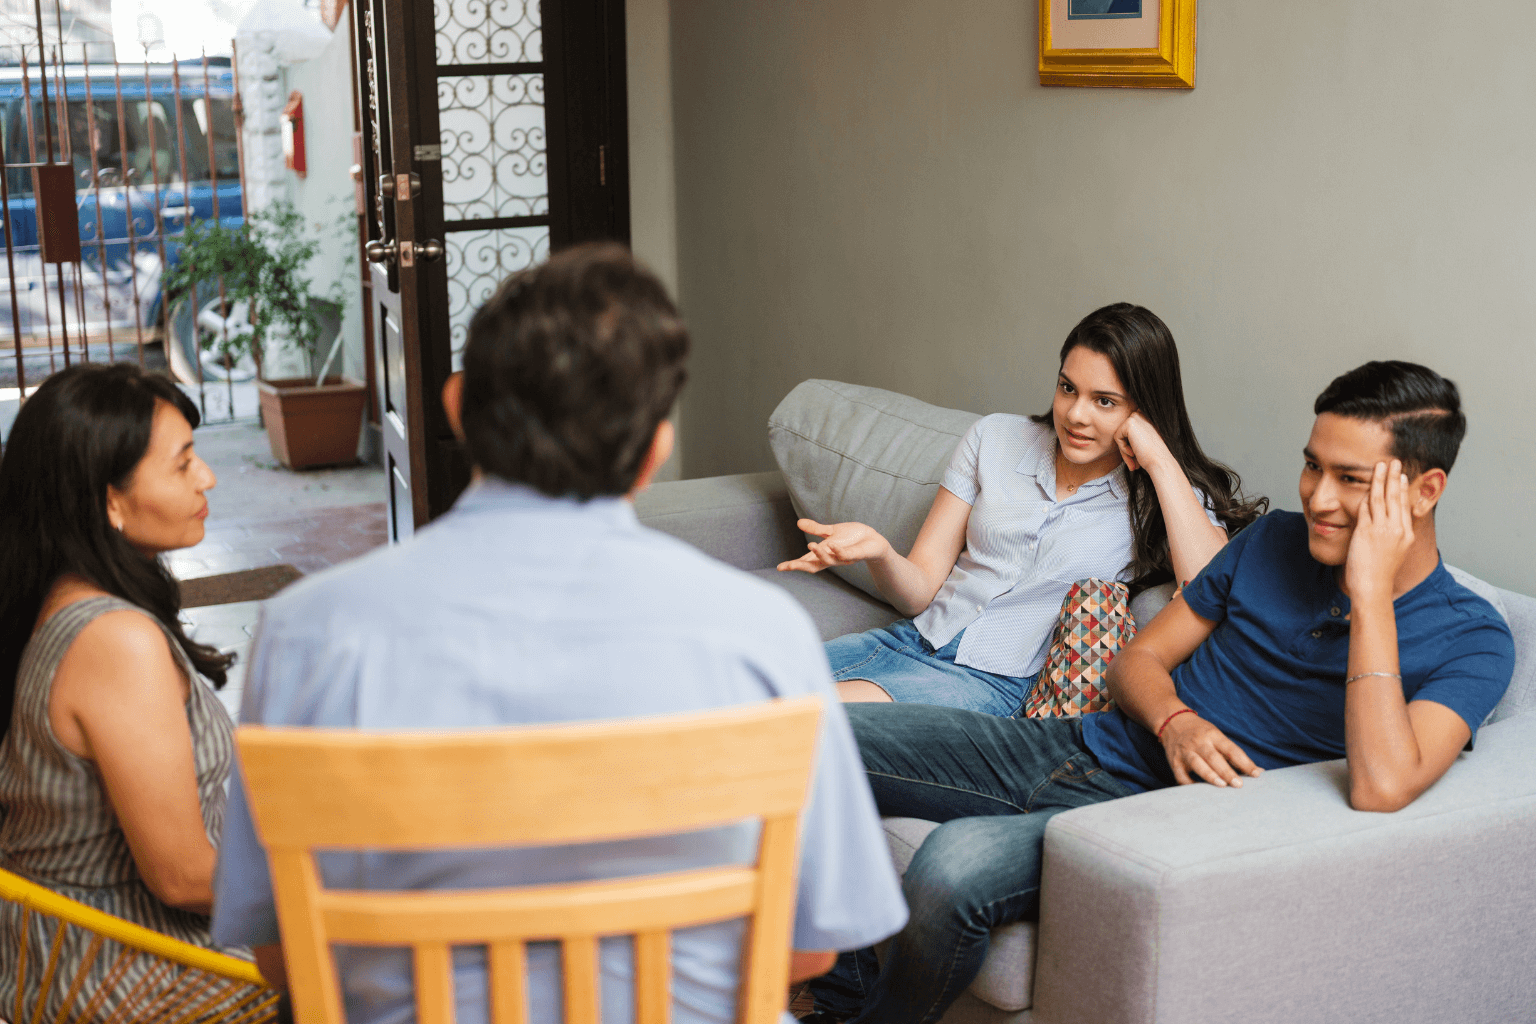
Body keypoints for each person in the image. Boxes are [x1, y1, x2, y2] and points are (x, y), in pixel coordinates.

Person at [210, 243, 908, 1024]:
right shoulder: (763, 635)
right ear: (654, 451)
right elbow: (810, 953)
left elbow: (283, 958)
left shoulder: (308, 630)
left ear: (455, 406)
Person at [826, 360, 1515, 1024]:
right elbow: (1137, 662)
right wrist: (1173, 720)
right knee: (806, 739)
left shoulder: (1473, 638)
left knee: (951, 868)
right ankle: (836, 992)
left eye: (1351, 479)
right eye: (1313, 466)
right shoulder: (1273, 540)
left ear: (1424, 492)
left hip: (1164, 819)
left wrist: (1369, 596)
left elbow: (1383, 784)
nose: (1318, 498)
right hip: (1082, 743)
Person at [779, 303, 1265, 715]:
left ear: (1143, 410)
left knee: (799, 721)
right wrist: (882, 553)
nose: (1076, 414)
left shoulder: (1163, 494)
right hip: (909, 641)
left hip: (992, 683)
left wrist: (1158, 458)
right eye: (1068, 387)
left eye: (1105, 401)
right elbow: (920, 591)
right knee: (740, 691)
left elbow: (1207, 589)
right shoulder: (995, 438)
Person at [0, 363, 238, 1015]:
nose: (207, 478)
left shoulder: (65, 597)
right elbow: (182, 875)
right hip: (132, 978)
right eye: (183, 462)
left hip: (84, 964)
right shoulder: (114, 640)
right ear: (109, 499)